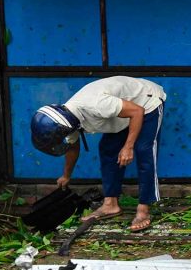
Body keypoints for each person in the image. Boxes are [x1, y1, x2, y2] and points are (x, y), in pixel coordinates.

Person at [30, 76, 166, 232]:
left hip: (147, 103)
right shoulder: (68, 121)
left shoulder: (96, 104)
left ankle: (143, 209)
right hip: (124, 113)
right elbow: (72, 147)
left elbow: (137, 111)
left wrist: (128, 147)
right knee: (108, 149)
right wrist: (66, 175)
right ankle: (111, 204)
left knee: (144, 150)